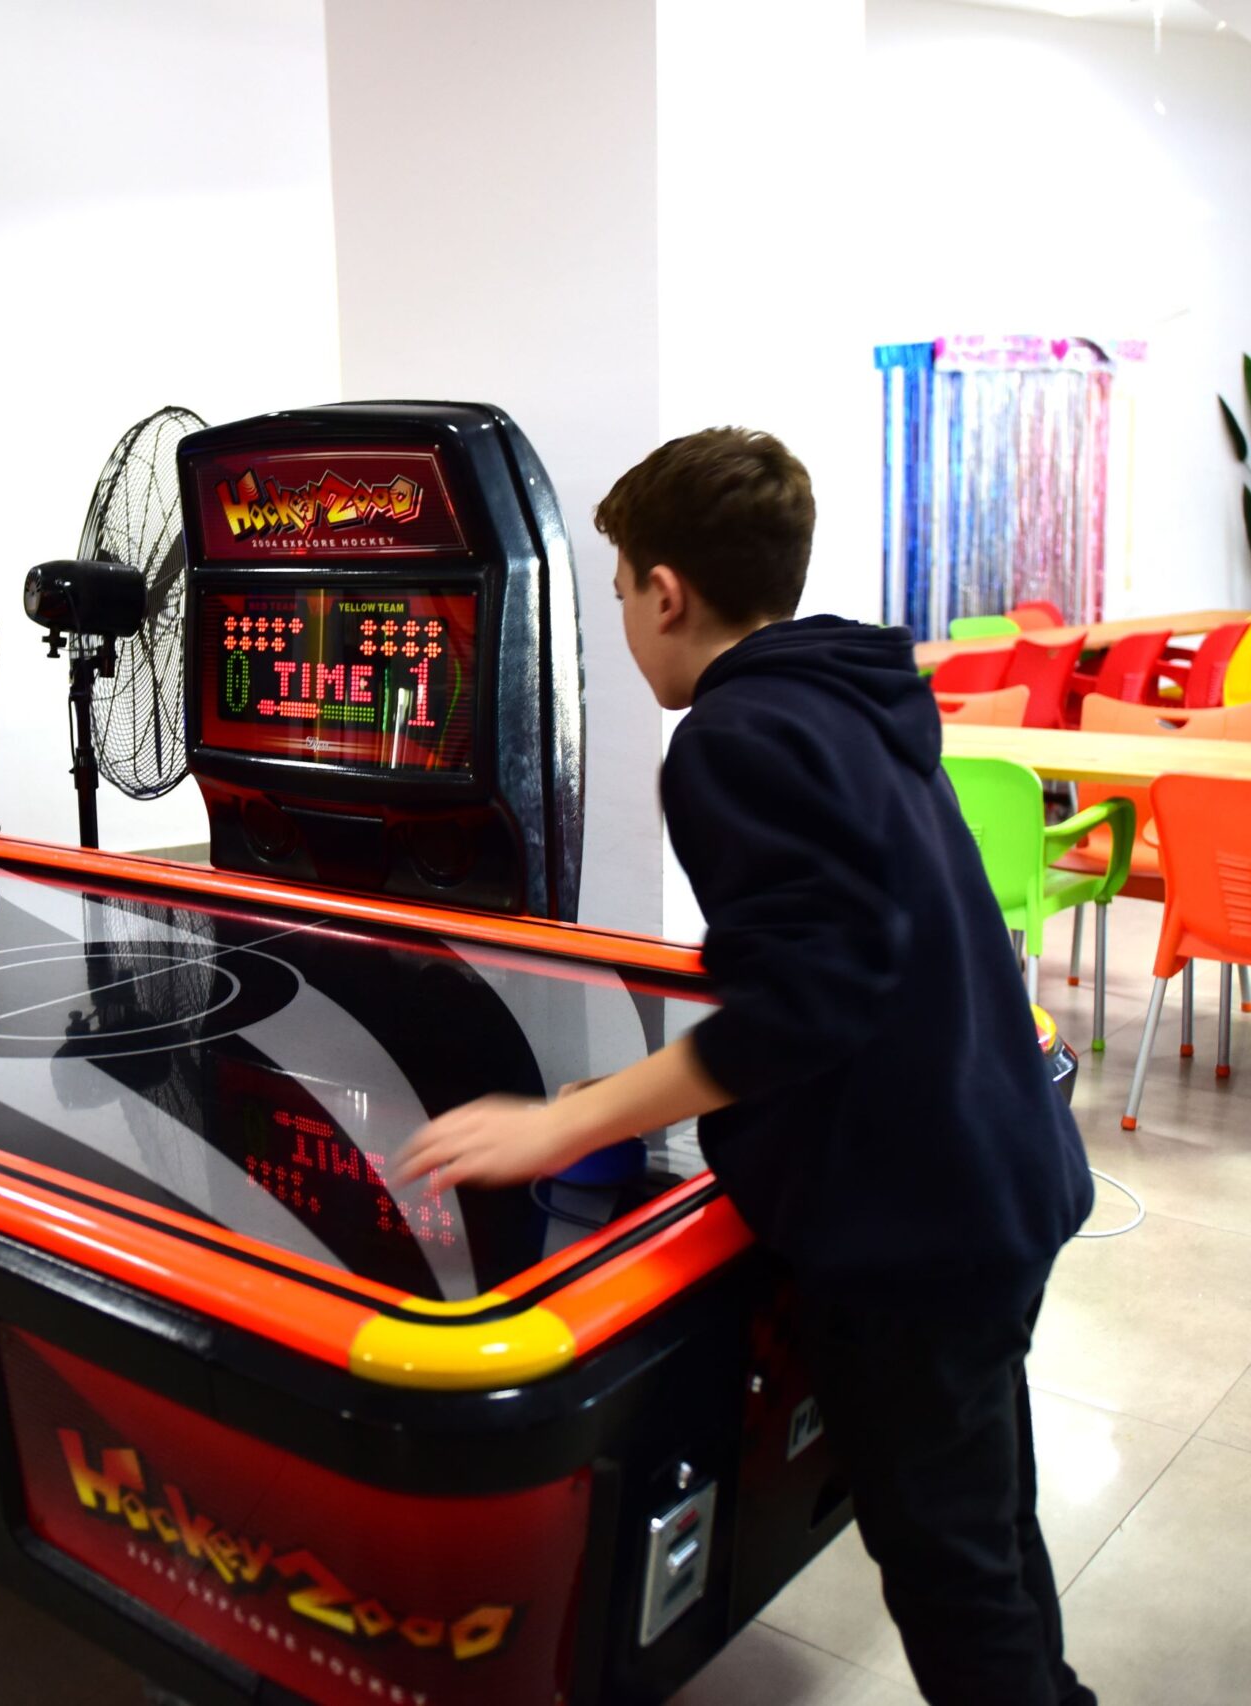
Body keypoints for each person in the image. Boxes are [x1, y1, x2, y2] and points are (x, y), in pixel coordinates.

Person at [399, 428, 1097, 1706]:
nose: (624, 619)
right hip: (1001, 1166)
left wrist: (565, 1123)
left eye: (621, 590)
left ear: (666, 592)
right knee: (989, 1523)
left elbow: (805, 1002)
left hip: (919, 1219)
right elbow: (861, 943)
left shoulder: (730, 736)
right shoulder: (846, 693)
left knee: (949, 1569)